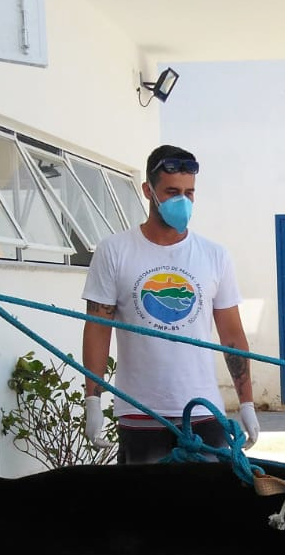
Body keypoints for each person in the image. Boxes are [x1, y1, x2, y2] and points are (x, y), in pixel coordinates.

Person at [81, 144, 259, 464]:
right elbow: (97, 328)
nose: (183, 201)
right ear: (148, 190)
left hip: (204, 411)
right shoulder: (114, 251)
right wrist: (92, 401)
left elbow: (232, 335)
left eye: (189, 193)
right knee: (147, 513)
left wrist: (246, 403)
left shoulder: (214, 256)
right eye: (172, 191)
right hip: (141, 412)